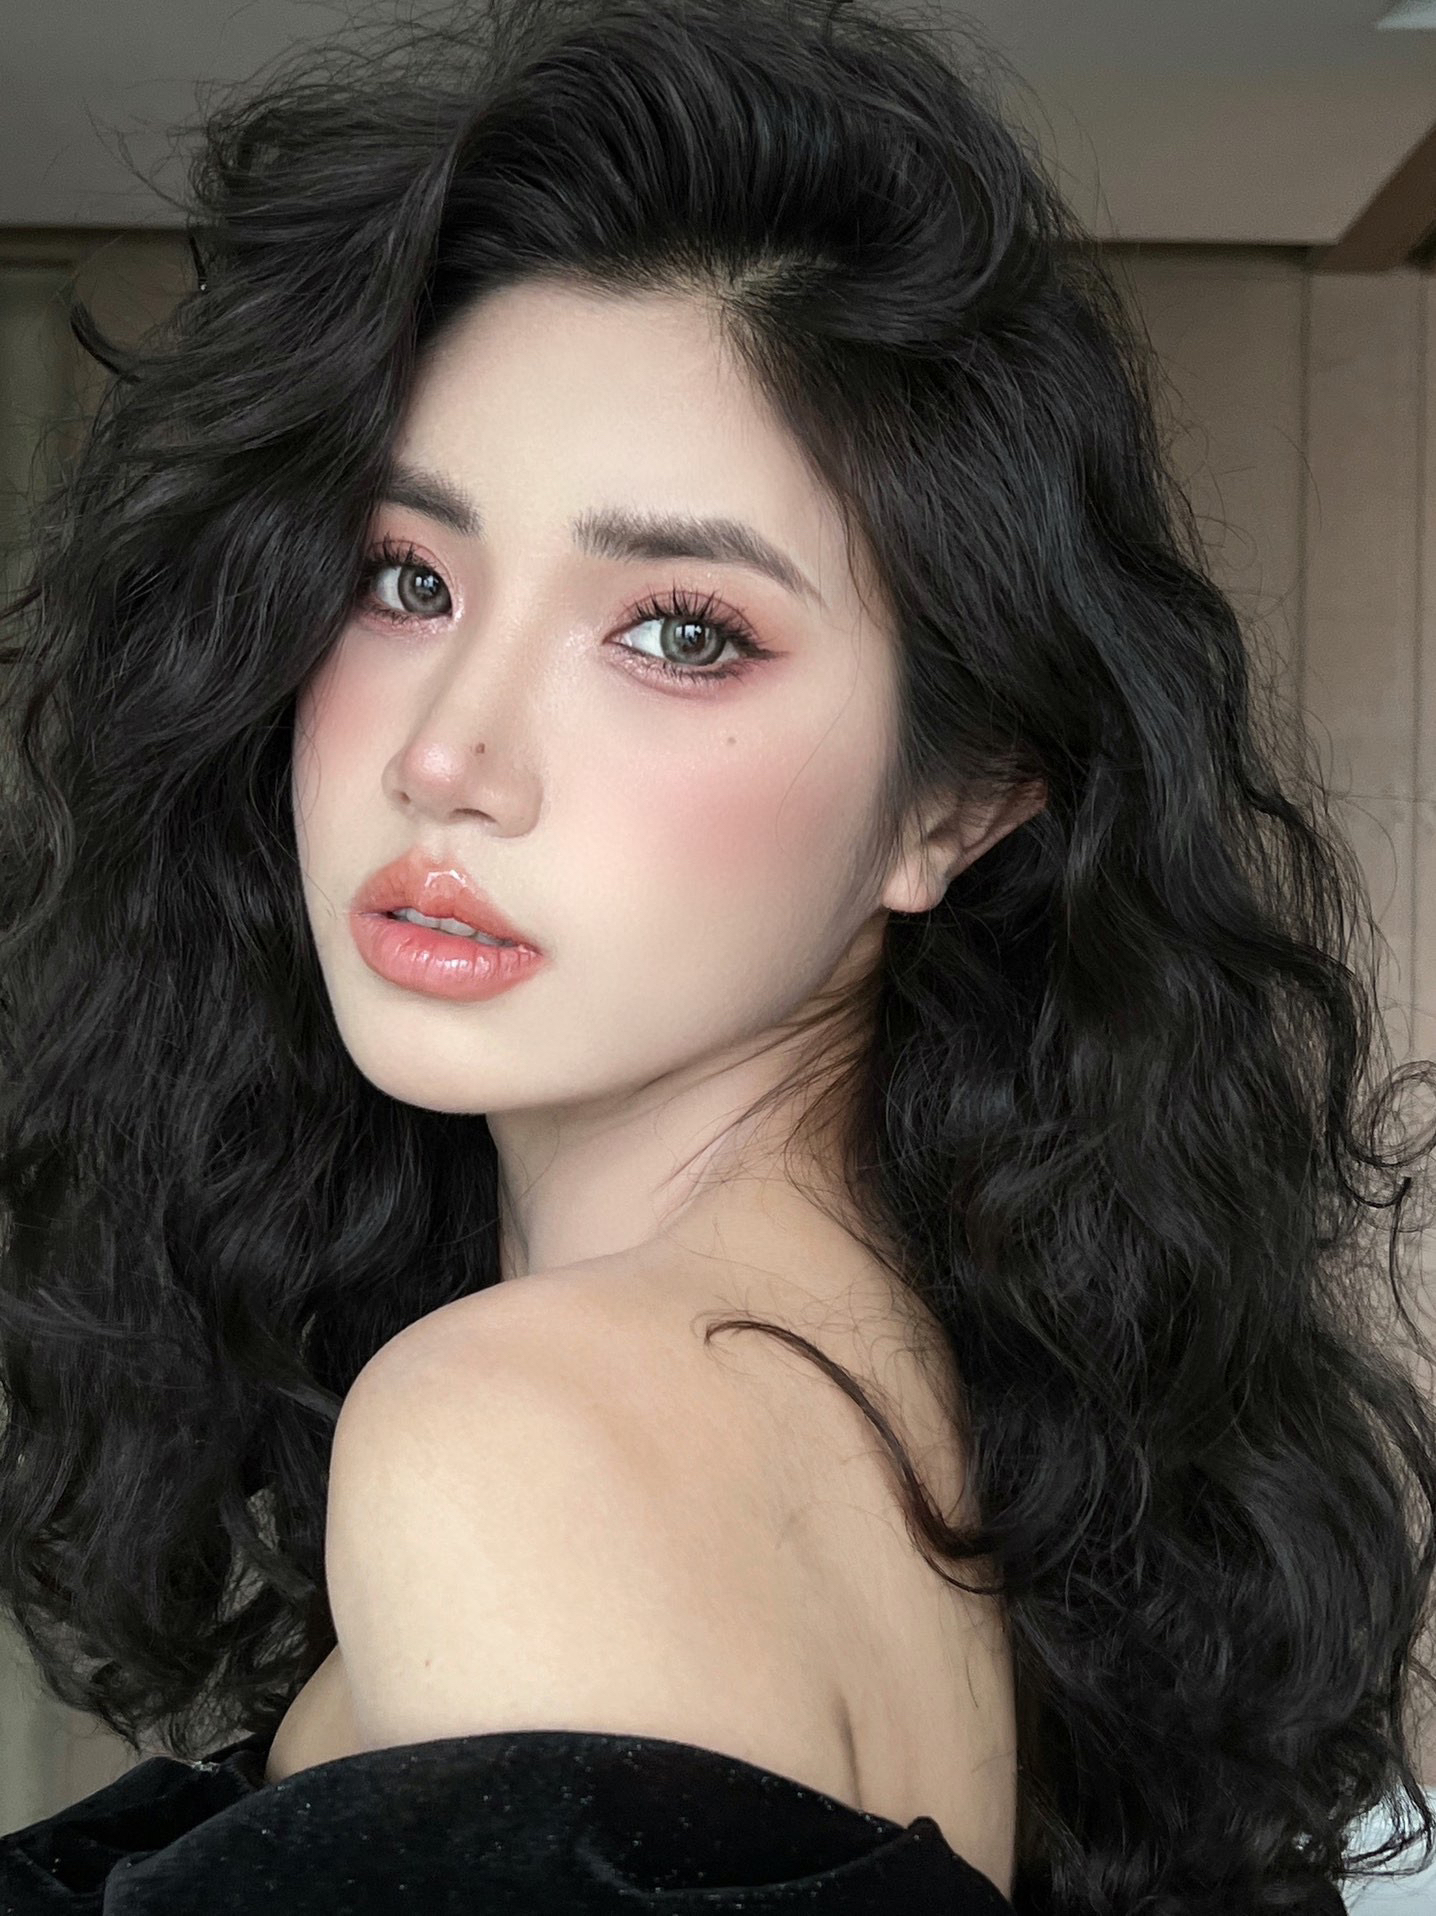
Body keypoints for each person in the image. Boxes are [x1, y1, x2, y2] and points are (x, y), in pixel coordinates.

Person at [0, 0, 1428, 1908]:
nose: (449, 755)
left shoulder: (538, 1438)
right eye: (405, 578)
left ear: (960, 802)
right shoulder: (913, 1419)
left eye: (680, 632)